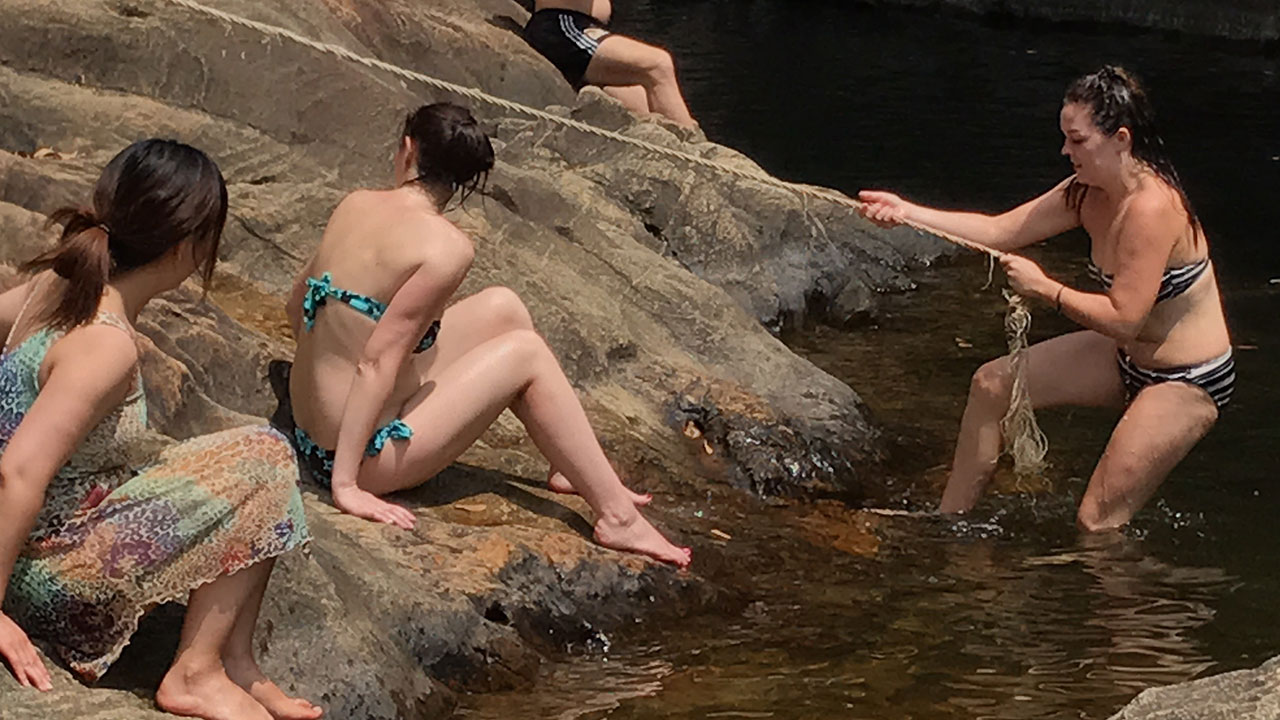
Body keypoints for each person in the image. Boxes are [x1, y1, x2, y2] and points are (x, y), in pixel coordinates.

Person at [286, 102, 691, 567]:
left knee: (504, 307)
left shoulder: (354, 203)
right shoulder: (446, 247)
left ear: (407, 149)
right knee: (527, 356)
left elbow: (297, 305)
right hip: (353, 457)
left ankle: (570, 464)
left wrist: (328, 361)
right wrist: (346, 487)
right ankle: (617, 517)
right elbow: (376, 361)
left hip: (315, 425)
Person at [0, 140, 320, 720]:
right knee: (267, 454)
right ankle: (197, 673)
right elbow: (18, 471)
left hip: (46, 536)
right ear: (189, 246)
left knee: (239, 455)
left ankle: (236, 661)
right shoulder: (104, 343)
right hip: (44, 577)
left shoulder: (56, 284)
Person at [859, 66, 1233, 531]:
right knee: (991, 386)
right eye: (1064, 138)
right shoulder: (1084, 192)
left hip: (1184, 378)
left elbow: (1124, 319)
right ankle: (948, 525)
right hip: (1124, 358)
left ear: (1120, 139)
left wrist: (1046, 289)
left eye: (1077, 140)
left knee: (1095, 523)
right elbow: (1002, 230)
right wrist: (906, 211)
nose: (1064, 151)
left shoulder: (1152, 208)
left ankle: (1134, 599)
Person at [523, 0, 697, 128]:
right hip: (562, 27)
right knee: (657, 65)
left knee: (644, 108)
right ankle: (698, 162)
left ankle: (686, 157)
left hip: (587, 29)